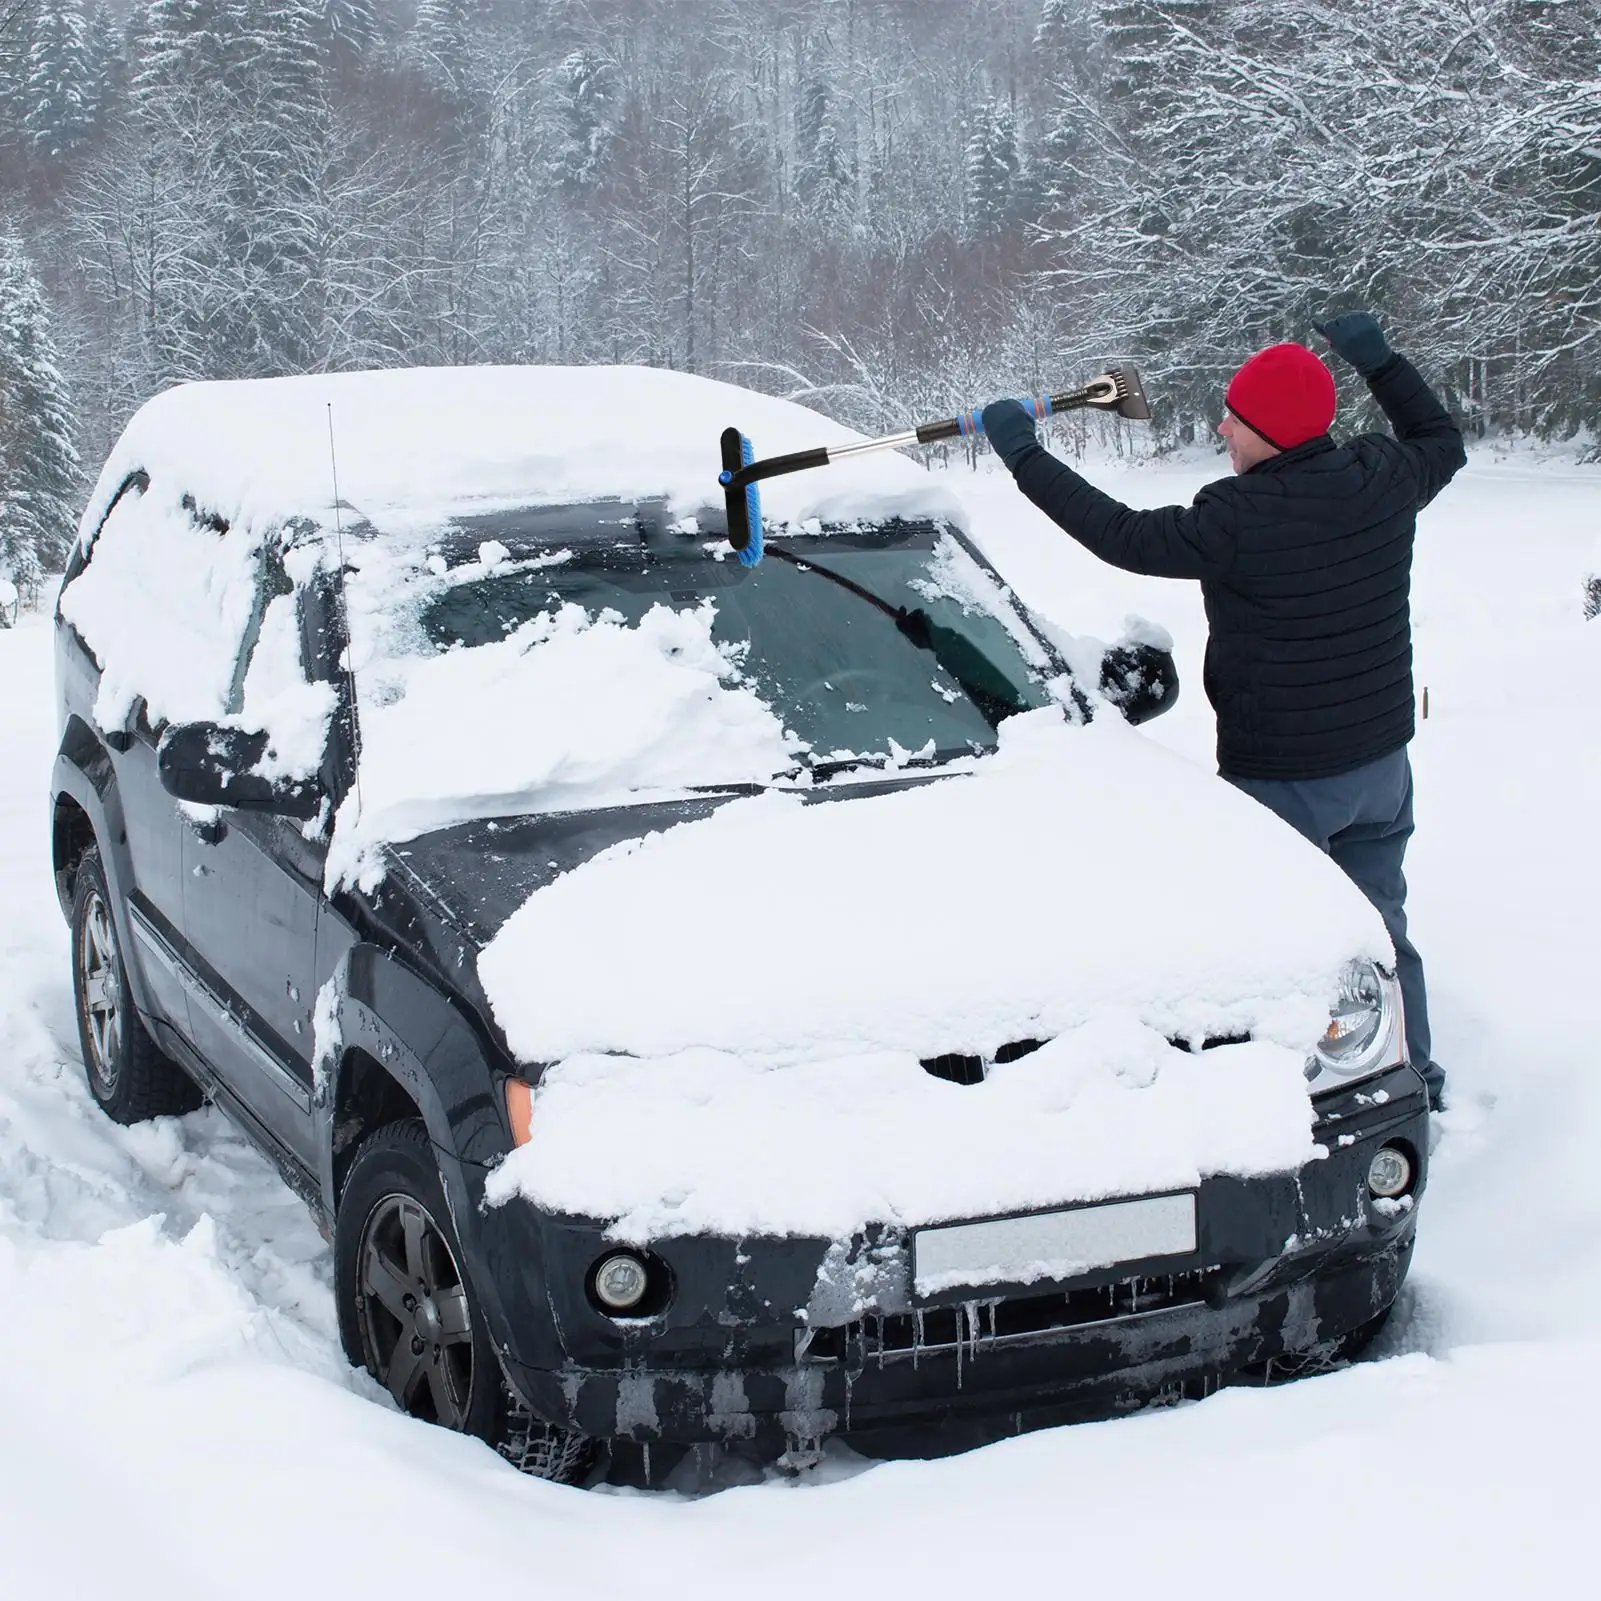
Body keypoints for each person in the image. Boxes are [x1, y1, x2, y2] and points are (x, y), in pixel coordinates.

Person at [982, 313, 1465, 1110]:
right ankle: (1412, 1077)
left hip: (1283, 780)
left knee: (1276, 950)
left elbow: (1120, 535)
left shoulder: (1235, 520)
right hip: (1381, 768)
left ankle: (1283, 1101)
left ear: (1267, 433)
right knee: (1379, 927)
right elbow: (1438, 435)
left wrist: (1022, 453)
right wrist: (1377, 359)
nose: (1220, 426)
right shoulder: (1383, 475)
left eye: (1233, 417)